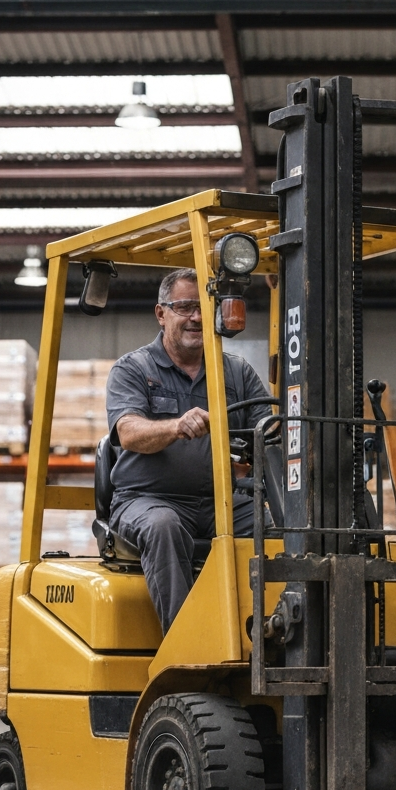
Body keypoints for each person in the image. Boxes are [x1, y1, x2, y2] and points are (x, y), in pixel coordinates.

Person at [105, 266, 273, 635]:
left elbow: (271, 432)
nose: (196, 317)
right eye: (184, 307)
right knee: (164, 527)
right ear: (161, 313)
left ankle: (270, 638)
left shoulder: (236, 372)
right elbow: (129, 432)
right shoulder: (134, 369)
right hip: (148, 499)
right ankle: (185, 647)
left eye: (203, 306)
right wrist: (175, 426)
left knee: (279, 527)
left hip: (219, 502)